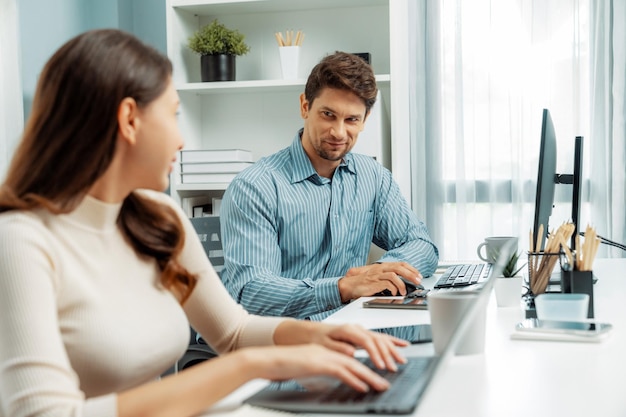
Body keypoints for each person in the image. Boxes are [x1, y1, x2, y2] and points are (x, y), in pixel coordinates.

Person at [0, 30, 410, 417]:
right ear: (129, 119)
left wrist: (323, 337)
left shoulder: (159, 220)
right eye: (173, 115)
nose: (181, 140)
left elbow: (232, 331)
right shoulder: (21, 242)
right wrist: (251, 365)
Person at [220, 52, 439, 321]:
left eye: (351, 120)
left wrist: (379, 273)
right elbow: (252, 293)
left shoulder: (372, 176)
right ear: (304, 106)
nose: (338, 132)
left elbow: (422, 245)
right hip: (281, 339)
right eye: (328, 114)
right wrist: (344, 288)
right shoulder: (255, 187)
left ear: (365, 120)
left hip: (351, 328)